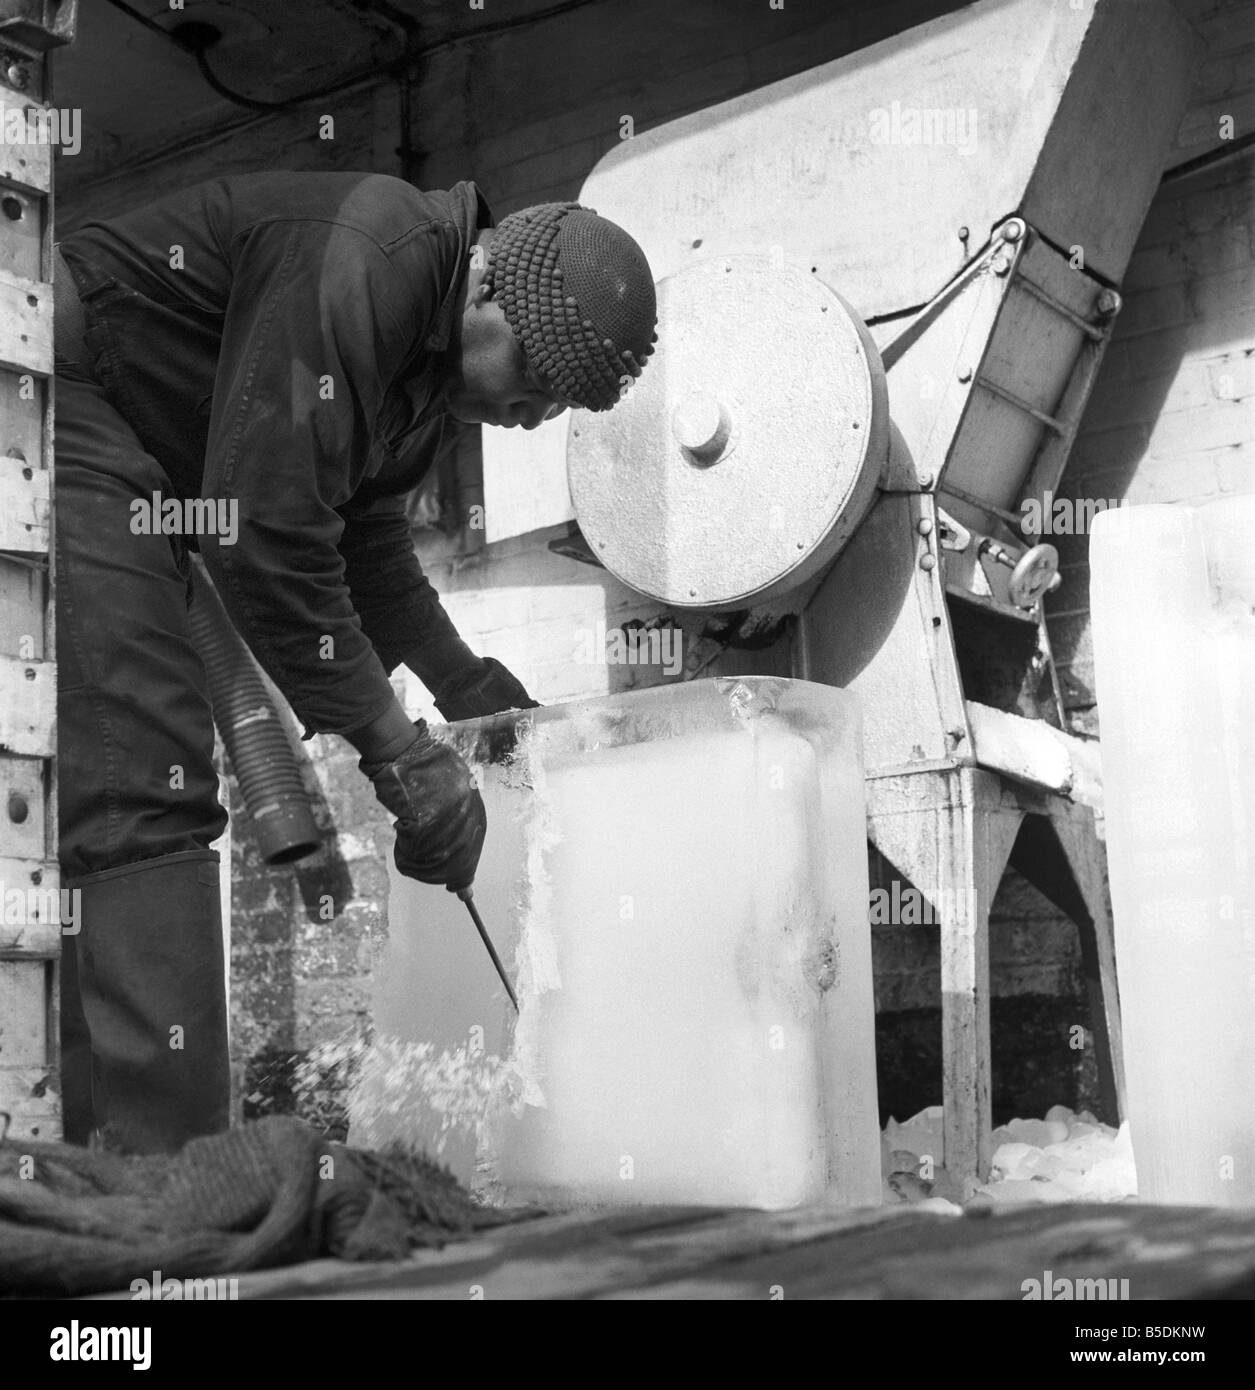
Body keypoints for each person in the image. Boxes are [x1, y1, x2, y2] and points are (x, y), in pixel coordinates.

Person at [52, 172, 658, 1152]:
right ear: (490, 287)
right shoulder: (373, 256)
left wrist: (458, 677)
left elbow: (364, 543)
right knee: (141, 761)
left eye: (556, 410)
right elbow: (264, 527)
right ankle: (168, 1175)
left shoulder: (423, 384)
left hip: (143, 457)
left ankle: (95, 1145)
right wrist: (396, 750)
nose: (534, 418)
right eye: (537, 384)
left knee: (120, 771)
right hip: (52, 376)